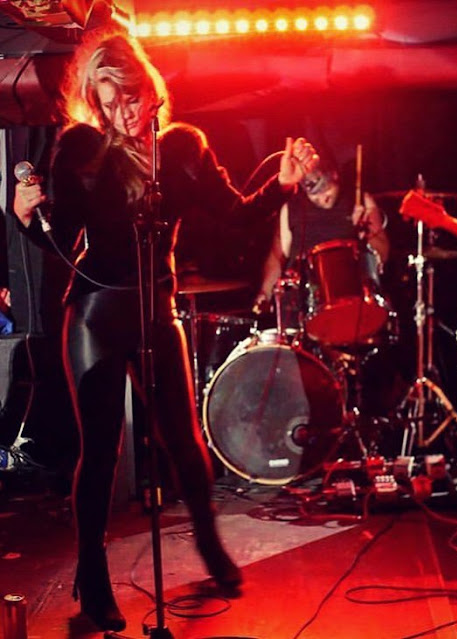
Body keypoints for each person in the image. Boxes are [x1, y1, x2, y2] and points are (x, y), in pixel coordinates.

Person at [12, 30, 318, 632]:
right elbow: (62, 241)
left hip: (157, 309)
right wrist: (26, 218)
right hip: (96, 313)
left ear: (148, 87)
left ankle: (210, 546)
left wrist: (281, 184)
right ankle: (93, 578)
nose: (123, 114)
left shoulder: (182, 146)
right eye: (109, 104)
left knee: (183, 437)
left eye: (130, 98)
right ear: (96, 104)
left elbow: (234, 213)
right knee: (102, 448)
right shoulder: (80, 148)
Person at [253, 160, 390, 335]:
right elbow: (276, 257)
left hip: (350, 303)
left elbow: (383, 254)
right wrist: (264, 294)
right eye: (315, 195)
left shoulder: (359, 201)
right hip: (302, 307)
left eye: (326, 189)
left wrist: (367, 231)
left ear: (334, 176)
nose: (322, 197)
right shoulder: (291, 209)